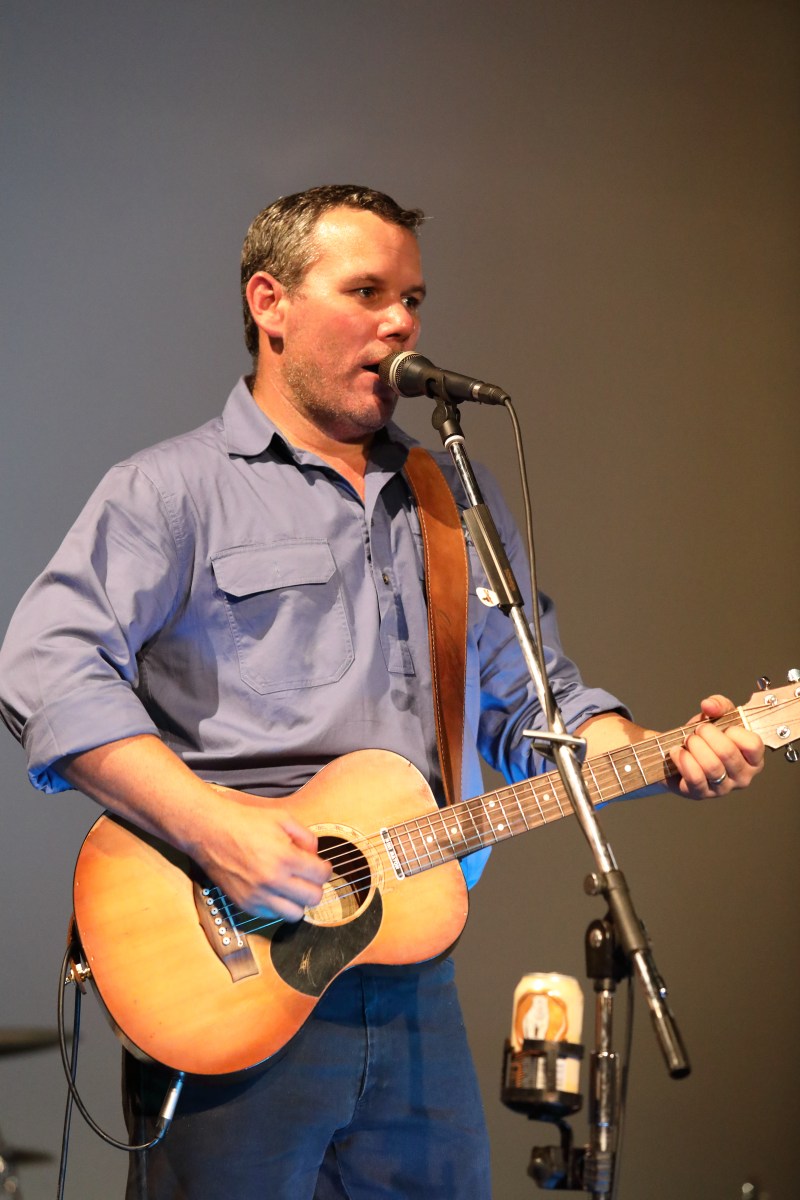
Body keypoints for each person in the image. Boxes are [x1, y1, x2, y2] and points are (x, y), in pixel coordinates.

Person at [0, 184, 764, 1198]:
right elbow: (45, 669)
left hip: (411, 988)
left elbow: (535, 706)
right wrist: (213, 829)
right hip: (230, 978)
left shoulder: (449, 501)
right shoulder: (170, 491)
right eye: (366, 292)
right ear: (270, 303)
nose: (400, 322)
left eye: (411, 299)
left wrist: (662, 752)